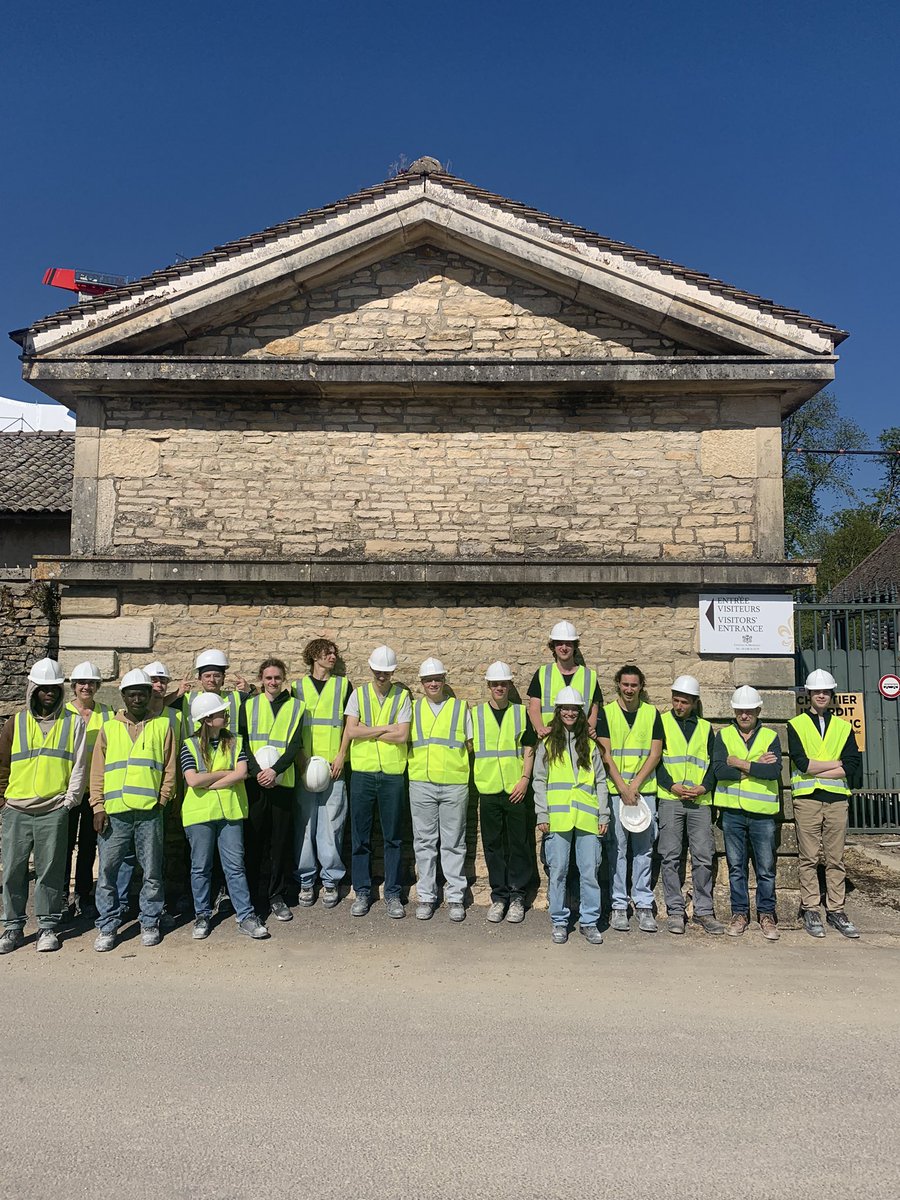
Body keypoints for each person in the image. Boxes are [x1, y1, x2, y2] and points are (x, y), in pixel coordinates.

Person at [0, 659, 87, 954]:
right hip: (17, 809)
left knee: (51, 871)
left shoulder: (74, 722)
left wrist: (69, 802)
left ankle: (48, 926)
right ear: (33, 690)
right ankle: (12, 927)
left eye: (54, 688)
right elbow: (2, 765)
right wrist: (3, 801)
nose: (49, 692)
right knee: (12, 869)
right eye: (44, 688)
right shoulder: (16, 722)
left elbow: (80, 767)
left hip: (53, 809)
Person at [91, 669, 177, 952]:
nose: (138, 697)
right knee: (108, 871)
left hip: (149, 812)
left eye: (143, 692)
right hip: (114, 813)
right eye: (132, 693)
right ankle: (107, 924)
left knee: (152, 871)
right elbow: (98, 771)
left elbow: (169, 768)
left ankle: (150, 920)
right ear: (124, 696)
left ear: (150, 695)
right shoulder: (109, 728)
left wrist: (162, 800)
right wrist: (97, 806)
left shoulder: (163, 726)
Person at [181, 693, 269, 940]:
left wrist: (210, 781)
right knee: (200, 867)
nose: (226, 715)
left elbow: (241, 773)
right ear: (208, 719)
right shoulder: (189, 744)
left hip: (230, 812)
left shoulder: (236, 741)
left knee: (235, 867)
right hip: (199, 815)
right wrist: (223, 774)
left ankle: (246, 916)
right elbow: (192, 779)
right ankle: (202, 914)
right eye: (221, 713)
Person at [788, 669, 862, 939]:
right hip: (807, 800)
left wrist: (818, 770)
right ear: (808, 694)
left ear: (832, 695)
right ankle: (810, 908)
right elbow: (801, 763)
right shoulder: (796, 724)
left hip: (836, 800)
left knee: (835, 859)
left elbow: (852, 766)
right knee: (808, 858)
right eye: (817, 691)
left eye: (826, 692)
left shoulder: (843, 727)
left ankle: (836, 909)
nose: (821, 695)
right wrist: (836, 763)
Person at [533, 687, 609, 945]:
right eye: (565, 708)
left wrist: (604, 815)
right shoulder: (546, 743)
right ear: (558, 711)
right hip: (557, 817)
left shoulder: (589, 744)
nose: (569, 713)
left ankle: (589, 922)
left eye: (574, 709)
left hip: (587, 817)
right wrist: (541, 812)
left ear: (580, 712)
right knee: (559, 871)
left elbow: (600, 781)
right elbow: (539, 780)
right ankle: (559, 920)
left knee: (589, 872)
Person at [340, 645, 411, 918]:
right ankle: (363, 891)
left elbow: (402, 736)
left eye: (387, 671)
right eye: (379, 671)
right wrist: (385, 728)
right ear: (371, 669)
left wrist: (367, 731)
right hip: (363, 773)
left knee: (393, 837)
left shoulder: (402, 696)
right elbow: (351, 730)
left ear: (393, 672)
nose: (382, 675)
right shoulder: (358, 695)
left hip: (393, 774)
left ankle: (392, 893)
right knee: (360, 837)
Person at [712, 685, 782, 941]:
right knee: (736, 868)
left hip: (762, 814)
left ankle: (766, 914)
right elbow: (719, 770)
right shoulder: (724, 735)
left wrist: (739, 763)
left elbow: (773, 772)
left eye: (749, 711)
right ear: (734, 710)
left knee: (765, 868)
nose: (744, 715)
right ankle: (739, 913)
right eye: (740, 710)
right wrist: (754, 766)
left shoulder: (770, 736)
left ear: (758, 710)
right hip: (732, 813)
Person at [597, 665, 663, 933]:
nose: (629, 689)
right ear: (618, 685)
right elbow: (605, 755)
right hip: (616, 793)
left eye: (634, 685)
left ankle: (644, 904)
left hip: (643, 792)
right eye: (625, 684)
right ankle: (618, 905)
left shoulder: (651, 714)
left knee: (644, 849)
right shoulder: (607, 713)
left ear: (641, 687)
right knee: (617, 850)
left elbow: (655, 753)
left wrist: (634, 785)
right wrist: (623, 787)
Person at [656, 675, 724, 936]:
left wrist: (704, 787)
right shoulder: (661, 722)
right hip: (671, 799)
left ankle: (704, 911)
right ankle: (675, 910)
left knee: (703, 857)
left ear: (695, 702)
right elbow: (656, 760)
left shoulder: (706, 729)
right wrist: (670, 785)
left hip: (699, 801)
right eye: (676, 700)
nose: (679, 705)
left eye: (684, 702)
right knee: (670, 856)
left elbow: (714, 763)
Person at [470, 661, 536, 924]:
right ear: (488, 685)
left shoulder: (521, 713)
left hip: (515, 789)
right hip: (488, 789)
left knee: (519, 843)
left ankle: (518, 895)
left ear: (509, 685)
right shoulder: (475, 714)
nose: (499, 687)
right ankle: (499, 897)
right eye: (495, 683)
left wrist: (524, 779)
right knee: (493, 845)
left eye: (504, 683)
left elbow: (529, 748)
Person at [407, 657, 473, 922]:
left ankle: (455, 896)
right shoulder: (412, 708)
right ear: (422, 683)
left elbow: (469, 745)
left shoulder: (460, 708)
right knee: (424, 842)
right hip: (421, 782)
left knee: (454, 842)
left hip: (454, 784)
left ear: (444, 680)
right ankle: (426, 896)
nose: (433, 683)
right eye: (428, 680)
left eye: (437, 679)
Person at [240, 658, 305, 922]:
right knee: (253, 842)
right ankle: (254, 897)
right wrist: (258, 773)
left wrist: (275, 771)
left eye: (277, 677)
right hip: (256, 784)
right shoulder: (250, 705)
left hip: (282, 782)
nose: (273, 682)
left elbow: (294, 745)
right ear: (261, 679)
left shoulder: (297, 707)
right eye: (268, 678)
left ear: (283, 679)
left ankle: (276, 896)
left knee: (279, 844)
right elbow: (242, 743)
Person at [292, 638, 352, 908]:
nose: (333, 656)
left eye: (335, 653)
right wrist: (301, 758)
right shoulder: (297, 688)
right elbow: (290, 726)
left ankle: (330, 880)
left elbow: (351, 724)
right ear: (314, 655)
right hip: (305, 766)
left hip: (333, 767)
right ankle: (306, 880)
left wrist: (341, 755)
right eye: (328, 652)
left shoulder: (343, 685)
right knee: (304, 826)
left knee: (332, 826)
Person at [63, 661, 114, 920]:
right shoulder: (63, 713)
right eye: (82, 683)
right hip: (68, 790)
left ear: (97, 687)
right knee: (63, 845)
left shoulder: (107, 713)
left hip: (94, 791)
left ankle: (84, 894)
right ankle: (62, 896)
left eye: (91, 683)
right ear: (73, 686)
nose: (86, 687)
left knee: (88, 845)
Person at [526, 620, 602, 738]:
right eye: (559, 643)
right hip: (550, 739)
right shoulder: (542, 673)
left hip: (579, 740)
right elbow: (534, 708)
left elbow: (594, 711)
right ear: (553, 647)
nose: (564, 648)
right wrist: (540, 728)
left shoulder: (589, 676)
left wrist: (589, 730)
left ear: (574, 646)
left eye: (568, 643)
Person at [174, 649, 252, 733]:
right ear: (200, 678)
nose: (212, 680)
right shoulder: (187, 699)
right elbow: (159, 706)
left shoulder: (237, 697)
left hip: (230, 745)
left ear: (223, 678)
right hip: (196, 746)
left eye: (217, 676)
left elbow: (263, 704)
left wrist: (250, 690)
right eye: (207, 676)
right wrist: (176, 694)